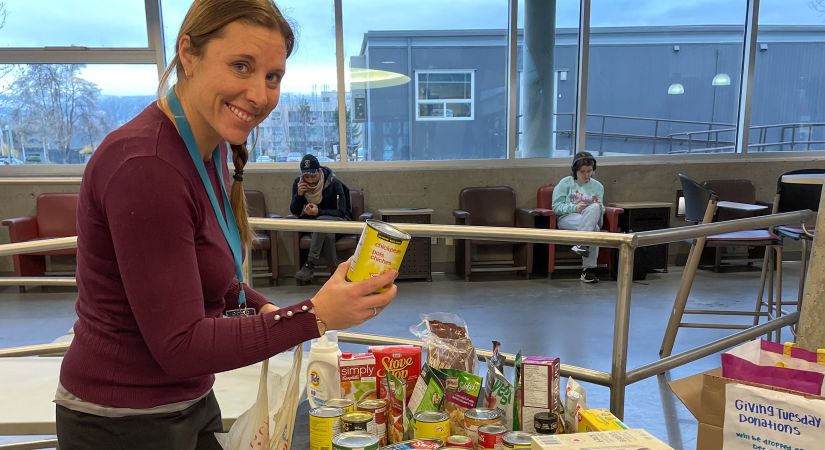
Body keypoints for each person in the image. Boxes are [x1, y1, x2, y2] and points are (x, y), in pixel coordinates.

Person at [55, 1, 398, 449]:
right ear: (189, 54)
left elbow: (208, 277)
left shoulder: (209, 145)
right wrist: (313, 317)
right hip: (124, 421)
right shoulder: (147, 166)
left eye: (272, 77)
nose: (259, 94)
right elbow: (179, 346)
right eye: (241, 66)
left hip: (185, 403)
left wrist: (265, 309)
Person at [290, 154, 351, 283]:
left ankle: (310, 263)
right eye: (306, 177)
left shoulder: (334, 183)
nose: (310, 180)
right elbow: (294, 211)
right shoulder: (299, 183)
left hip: (339, 223)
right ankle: (335, 273)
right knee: (325, 230)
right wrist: (299, 195)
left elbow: (342, 212)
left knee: (322, 221)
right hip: (317, 226)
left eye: (313, 176)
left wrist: (319, 212)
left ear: (319, 171)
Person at [552, 151, 605, 283]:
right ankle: (588, 271)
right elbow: (556, 207)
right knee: (595, 230)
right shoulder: (565, 183)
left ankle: (581, 244)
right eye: (583, 171)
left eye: (589, 171)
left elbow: (601, 208)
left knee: (595, 207)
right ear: (575, 170)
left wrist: (597, 206)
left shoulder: (598, 186)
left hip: (592, 216)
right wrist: (574, 207)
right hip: (569, 218)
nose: (586, 175)